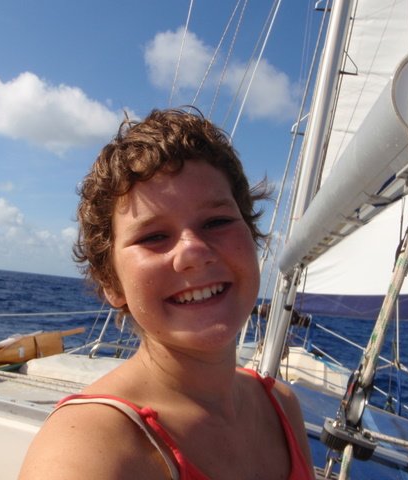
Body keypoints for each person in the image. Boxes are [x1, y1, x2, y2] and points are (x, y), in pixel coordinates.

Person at [19, 108, 315, 480]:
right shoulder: (87, 450)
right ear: (112, 283)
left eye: (217, 222)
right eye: (154, 236)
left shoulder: (282, 406)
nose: (194, 251)